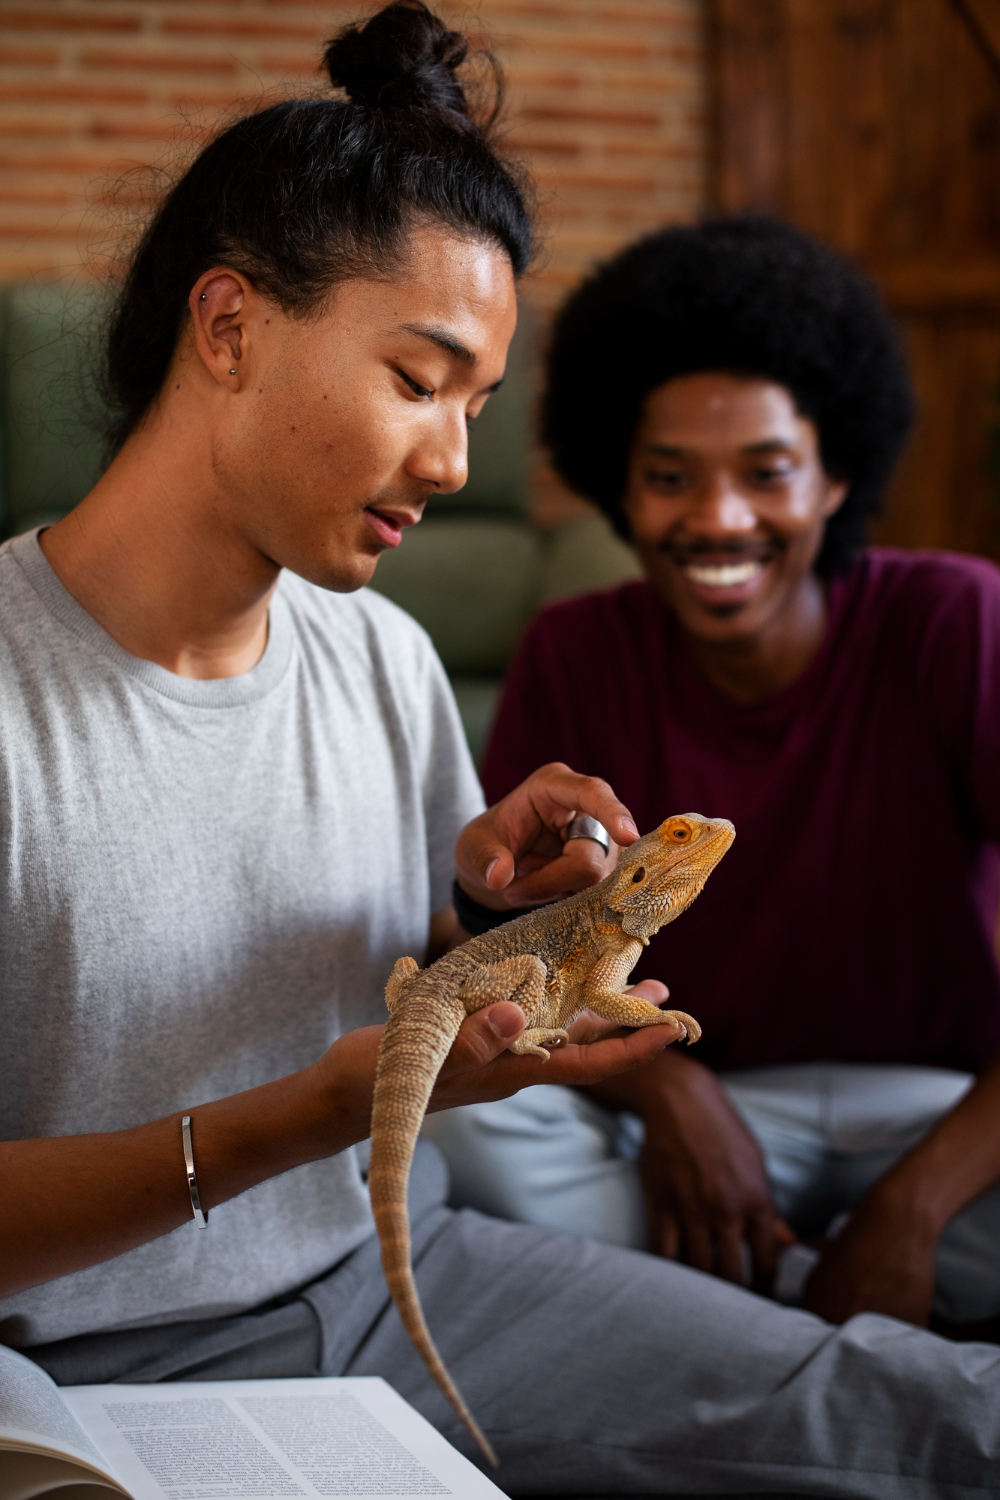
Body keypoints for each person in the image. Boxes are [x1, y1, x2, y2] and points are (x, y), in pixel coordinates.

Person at [2, 11, 999, 1492]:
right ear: (228, 329)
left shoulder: (382, 656)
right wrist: (319, 1114)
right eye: (418, 381)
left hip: (383, 1288)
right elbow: (332, 1084)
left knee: (930, 1413)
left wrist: (489, 913)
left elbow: (408, 969)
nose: (456, 464)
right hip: (56, 1377)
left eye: (475, 405)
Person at [425, 213, 1000, 1341]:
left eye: (766, 472)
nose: (718, 519)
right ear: (618, 490)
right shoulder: (575, 651)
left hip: (936, 1114)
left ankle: (740, 1309)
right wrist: (665, 1088)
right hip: (687, 1107)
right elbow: (498, 955)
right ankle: (813, 1304)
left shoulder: (958, 622)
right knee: (461, 1133)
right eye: (670, 477)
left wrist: (911, 1210)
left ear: (836, 476)